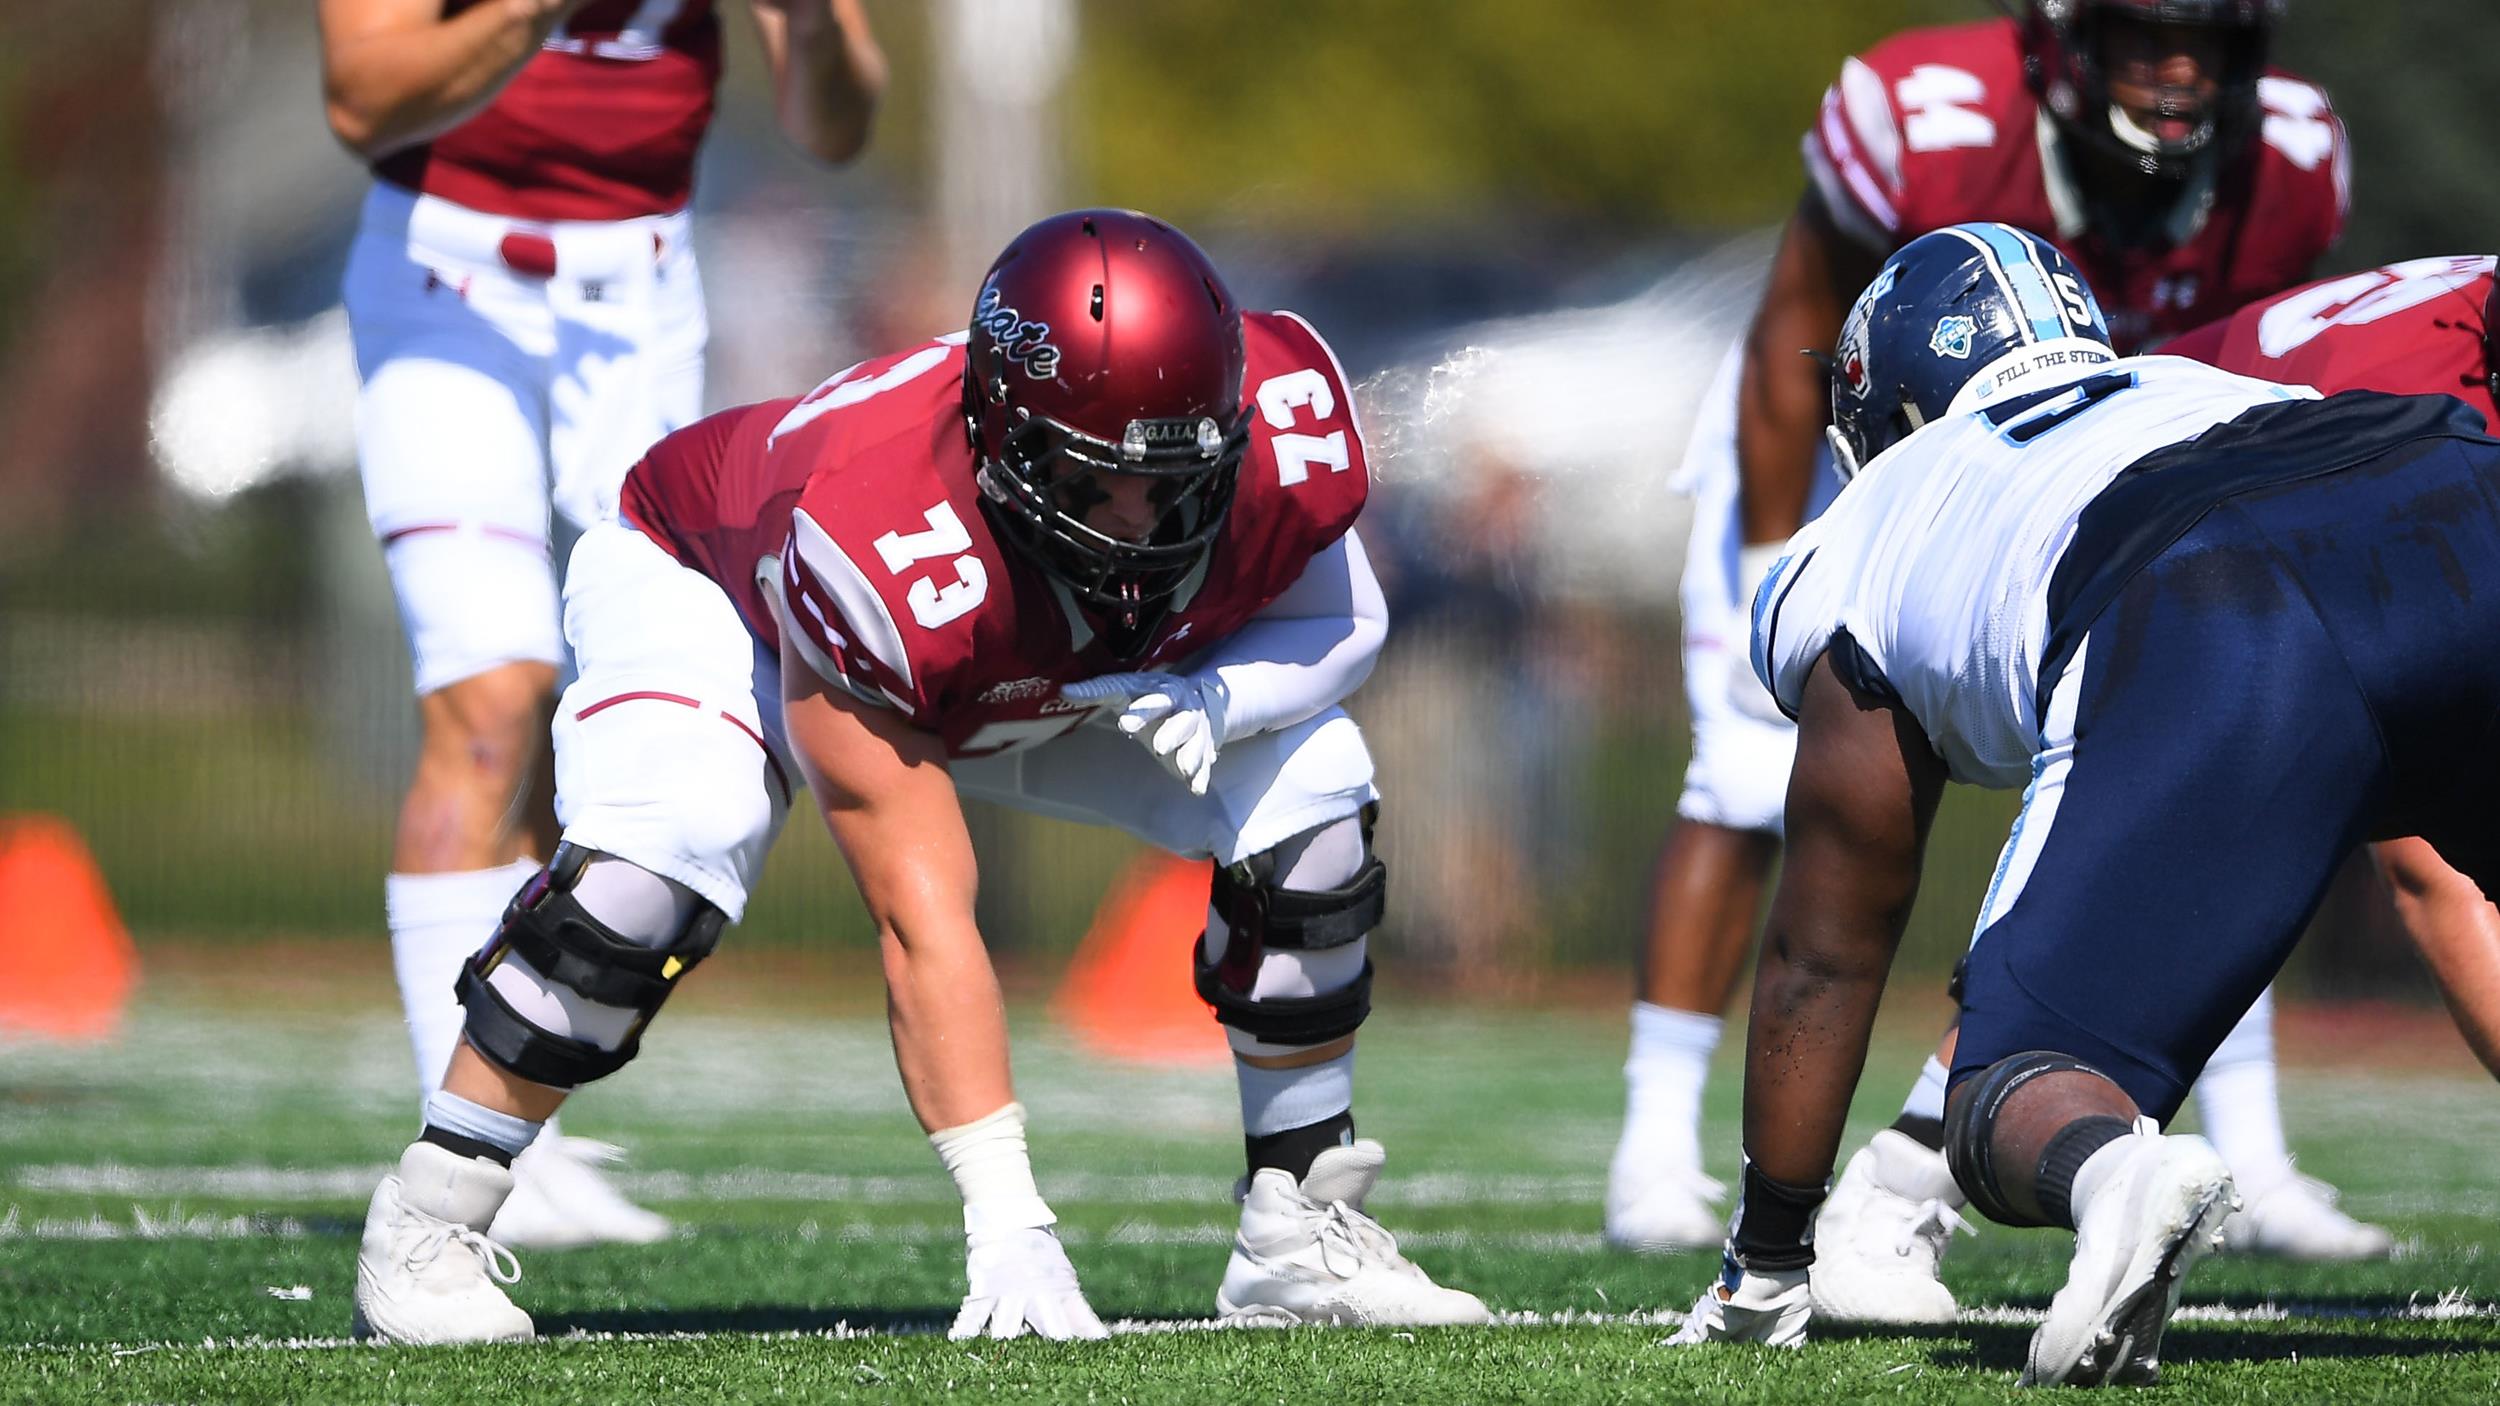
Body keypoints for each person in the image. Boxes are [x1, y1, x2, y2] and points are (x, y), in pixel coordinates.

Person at [346, 208, 1491, 1344]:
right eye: (1097, 480)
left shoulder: (1277, 423)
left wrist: (1220, 697)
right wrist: (1006, 1216)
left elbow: (1346, 616)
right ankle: (432, 1209)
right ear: (1006, 434)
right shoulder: (877, 536)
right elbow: (919, 908)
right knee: (664, 858)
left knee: (1314, 788)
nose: (1144, 520)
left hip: (1026, 659)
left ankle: (1297, 1226)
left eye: (1179, 477)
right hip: (712, 590)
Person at [1611, 0, 2377, 1277]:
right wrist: (1767, 554)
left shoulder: (2289, 156)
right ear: (2065, 44)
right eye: (2140, 38)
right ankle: (1649, 1148)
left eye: (2203, 42)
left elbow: (2255, 355)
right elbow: (1790, 332)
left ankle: (2259, 1151)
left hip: (2094, 456)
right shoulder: (1932, 118)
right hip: (1853, 443)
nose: (2175, 71)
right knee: (1742, 774)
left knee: (2214, 772)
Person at [1667, 223, 2500, 1385]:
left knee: (2007, 1090)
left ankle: (2117, 1176)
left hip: (2206, 584)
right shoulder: (2191, 378)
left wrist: (1763, 1263)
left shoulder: (1857, 533)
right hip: (2447, 476)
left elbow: (1826, 943)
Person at [317, 0, 886, 1247]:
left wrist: (813, 25)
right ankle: (457, 1140)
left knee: (665, 698)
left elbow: (834, 128)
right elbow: (360, 96)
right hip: (445, 279)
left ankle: (524, 1107)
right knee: (492, 694)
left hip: (643, 293)